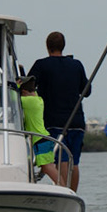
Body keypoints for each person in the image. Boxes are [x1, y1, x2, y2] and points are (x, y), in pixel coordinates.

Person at [28, 31, 90, 193]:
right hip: (76, 120)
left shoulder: (41, 65)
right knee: (74, 162)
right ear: (63, 46)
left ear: (47, 47)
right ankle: (73, 193)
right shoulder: (76, 65)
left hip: (54, 121)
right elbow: (87, 91)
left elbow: (27, 87)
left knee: (61, 159)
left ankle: (64, 192)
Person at [19, 76, 63, 185]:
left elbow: (12, 98)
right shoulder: (38, 99)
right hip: (45, 137)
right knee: (49, 166)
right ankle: (63, 185)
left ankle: (63, 186)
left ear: (23, 91)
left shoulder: (27, 101)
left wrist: (16, 86)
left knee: (47, 167)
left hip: (39, 139)